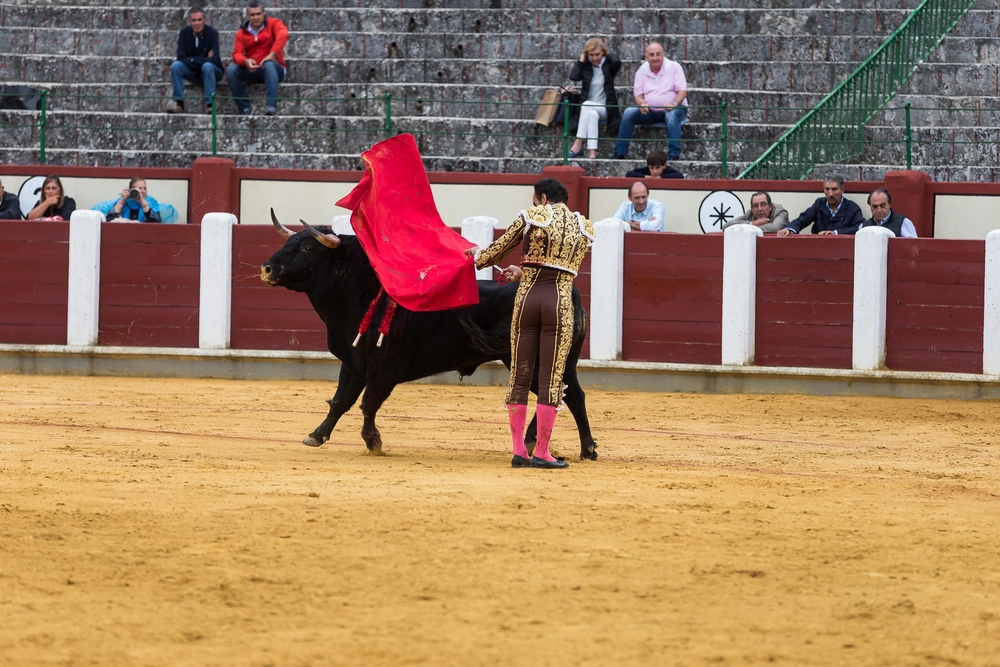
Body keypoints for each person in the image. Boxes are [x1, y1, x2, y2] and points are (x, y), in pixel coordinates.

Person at [466, 178, 594, 470]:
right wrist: (525, 270)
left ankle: (519, 452)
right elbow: (558, 269)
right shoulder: (584, 226)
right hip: (559, 302)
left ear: (543, 197)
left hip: (526, 300)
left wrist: (477, 255)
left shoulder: (533, 216)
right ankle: (543, 452)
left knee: (520, 375)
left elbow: (496, 251)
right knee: (550, 377)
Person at [613, 42, 688, 161]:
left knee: (671, 114)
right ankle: (619, 152)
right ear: (646, 57)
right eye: (651, 55)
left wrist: (673, 104)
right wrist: (642, 104)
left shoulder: (674, 67)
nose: (655, 58)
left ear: (663, 55)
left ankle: (674, 154)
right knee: (628, 112)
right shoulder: (641, 72)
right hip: (650, 112)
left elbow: (682, 92)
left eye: (658, 54)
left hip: (675, 108)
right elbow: (638, 96)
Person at [226, 1, 288, 116]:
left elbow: (283, 34)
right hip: (253, 69)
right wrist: (245, 61)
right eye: (252, 15)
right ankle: (244, 108)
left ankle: (271, 105)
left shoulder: (274, 23)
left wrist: (272, 54)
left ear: (264, 14)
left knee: (269, 64)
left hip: (273, 69)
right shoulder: (241, 33)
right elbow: (236, 54)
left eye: (258, 14)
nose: (256, 17)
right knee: (231, 70)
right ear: (247, 16)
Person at [566, 38, 621, 160]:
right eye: (591, 55)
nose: (595, 58)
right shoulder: (586, 66)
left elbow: (617, 61)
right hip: (590, 109)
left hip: (606, 108)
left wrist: (606, 53)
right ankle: (592, 154)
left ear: (603, 53)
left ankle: (578, 143)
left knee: (586, 105)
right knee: (591, 114)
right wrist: (581, 60)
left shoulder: (609, 65)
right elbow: (573, 77)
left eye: (598, 54)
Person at [166, 7, 224, 115]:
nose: (197, 23)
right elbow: (181, 57)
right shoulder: (184, 33)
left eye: (199, 20)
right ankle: (179, 104)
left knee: (207, 66)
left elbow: (215, 59)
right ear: (189, 22)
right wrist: (205, 59)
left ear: (204, 20)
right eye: (194, 20)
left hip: (212, 71)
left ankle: (210, 105)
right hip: (193, 71)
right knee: (176, 66)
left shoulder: (212, 33)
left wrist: (192, 59)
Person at [776, 175, 864, 236]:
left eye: (834, 189)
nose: (830, 193)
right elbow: (804, 218)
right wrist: (789, 229)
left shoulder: (852, 207)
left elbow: (860, 227)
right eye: (827, 189)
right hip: (819, 247)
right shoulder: (819, 204)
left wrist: (836, 233)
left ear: (842, 190)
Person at [95, 177, 172, 223]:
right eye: (139, 188)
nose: (142, 191)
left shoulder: (150, 202)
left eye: (144, 188)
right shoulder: (124, 202)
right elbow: (110, 220)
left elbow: (156, 221)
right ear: (131, 190)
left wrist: (142, 202)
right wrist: (122, 199)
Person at [723, 191, 789, 233]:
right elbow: (726, 227)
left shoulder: (780, 212)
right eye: (755, 205)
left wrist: (747, 228)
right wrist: (752, 223)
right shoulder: (750, 214)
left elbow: (774, 228)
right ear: (752, 208)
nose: (759, 209)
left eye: (763, 204)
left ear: (770, 206)